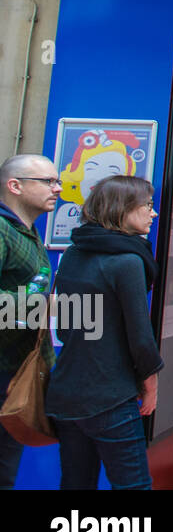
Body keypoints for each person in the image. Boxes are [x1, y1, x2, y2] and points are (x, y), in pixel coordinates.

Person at [45, 175, 163, 489]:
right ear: (121, 209)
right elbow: (140, 336)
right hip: (112, 396)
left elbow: (71, 327)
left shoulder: (73, 254)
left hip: (67, 394)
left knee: (75, 483)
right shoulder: (127, 262)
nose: (153, 213)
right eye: (147, 206)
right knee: (133, 485)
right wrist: (150, 384)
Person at [0, 154, 59, 489]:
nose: (58, 188)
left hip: (15, 379)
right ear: (15, 185)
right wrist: (37, 305)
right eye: (48, 182)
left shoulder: (28, 233)